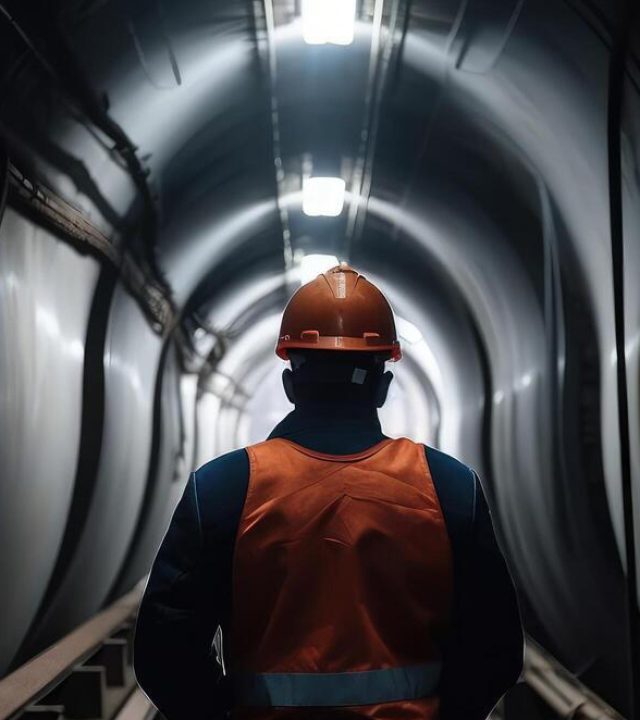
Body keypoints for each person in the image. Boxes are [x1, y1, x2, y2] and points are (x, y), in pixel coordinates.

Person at [134, 263, 524, 720]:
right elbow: (497, 651)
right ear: (383, 386)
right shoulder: (449, 489)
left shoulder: (223, 490)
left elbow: (163, 651)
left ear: (289, 383)